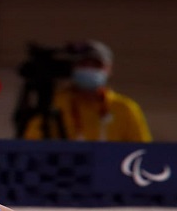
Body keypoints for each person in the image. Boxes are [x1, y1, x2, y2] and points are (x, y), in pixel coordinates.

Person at [22, 40, 151, 143]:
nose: (89, 69)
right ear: (73, 68)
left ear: (109, 70)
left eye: (96, 65)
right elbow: (31, 144)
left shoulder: (125, 108)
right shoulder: (54, 104)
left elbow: (143, 151)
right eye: (83, 64)